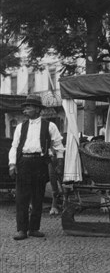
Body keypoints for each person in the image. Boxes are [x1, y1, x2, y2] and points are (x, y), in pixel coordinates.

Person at [8, 95, 65, 240]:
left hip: (40, 163)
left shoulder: (50, 126)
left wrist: (59, 163)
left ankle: (34, 228)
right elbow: (14, 147)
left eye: (29, 107)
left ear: (37, 109)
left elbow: (59, 146)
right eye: (25, 107)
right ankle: (22, 229)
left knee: (37, 196)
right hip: (23, 163)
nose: (25, 110)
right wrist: (12, 164)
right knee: (22, 197)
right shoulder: (21, 127)